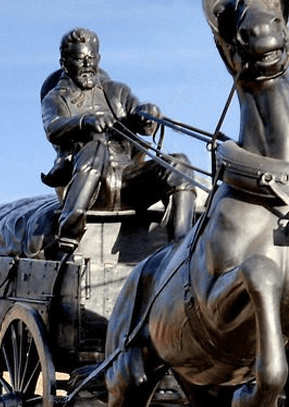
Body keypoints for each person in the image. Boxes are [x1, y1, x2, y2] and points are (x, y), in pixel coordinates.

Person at [41, 27, 195, 247]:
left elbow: (143, 123)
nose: (87, 65)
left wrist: (148, 114)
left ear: (99, 59)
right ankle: (69, 229)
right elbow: (53, 128)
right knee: (95, 148)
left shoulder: (118, 92)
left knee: (179, 164)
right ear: (64, 63)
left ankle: (183, 245)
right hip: (93, 190)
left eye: (91, 58)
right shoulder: (55, 99)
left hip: (129, 182)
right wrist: (86, 122)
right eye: (79, 59)